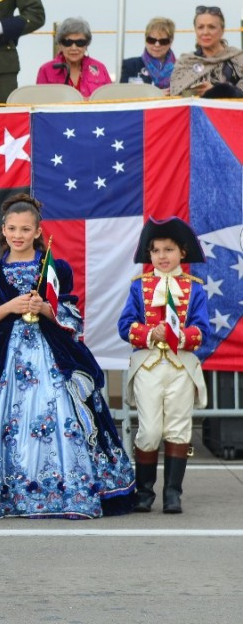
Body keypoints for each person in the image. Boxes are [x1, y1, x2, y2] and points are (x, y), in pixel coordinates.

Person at [0, 194, 135, 519]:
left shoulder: (56, 268)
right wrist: (7, 308)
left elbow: (73, 318)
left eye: (25, 229)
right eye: (12, 228)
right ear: (3, 230)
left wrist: (46, 308)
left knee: (66, 409)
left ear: (37, 231)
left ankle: (70, 488)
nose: (18, 235)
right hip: (3, 361)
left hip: (53, 357)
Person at [118, 218, 209, 514]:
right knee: (149, 431)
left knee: (178, 429)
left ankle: (173, 494)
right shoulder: (138, 287)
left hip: (181, 367)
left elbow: (202, 330)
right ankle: (144, 492)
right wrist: (148, 333)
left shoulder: (194, 289)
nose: (162, 256)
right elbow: (124, 325)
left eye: (168, 249)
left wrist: (180, 336)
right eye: (155, 250)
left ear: (182, 252)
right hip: (148, 366)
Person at [170, 5, 243, 98]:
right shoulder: (185, 62)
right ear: (195, 30)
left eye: (211, 27)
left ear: (222, 30)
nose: (205, 32)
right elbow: (175, 96)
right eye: (200, 27)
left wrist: (218, 91)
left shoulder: (238, 59)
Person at [36, 17, 111, 98]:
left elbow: (111, 99)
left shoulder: (100, 68)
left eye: (80, 42)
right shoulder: (46, 70)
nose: (74, 48)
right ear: (60, 45)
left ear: (87, 45)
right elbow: (39, 102)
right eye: (68, 42)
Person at [120, 17, 177, 90]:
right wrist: (156, 95)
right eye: (151, 40)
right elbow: (123, 95)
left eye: (163, 41)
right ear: (145, 40)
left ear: (171, 42)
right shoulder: (130, 65)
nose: (157, 45)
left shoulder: (180, 68)